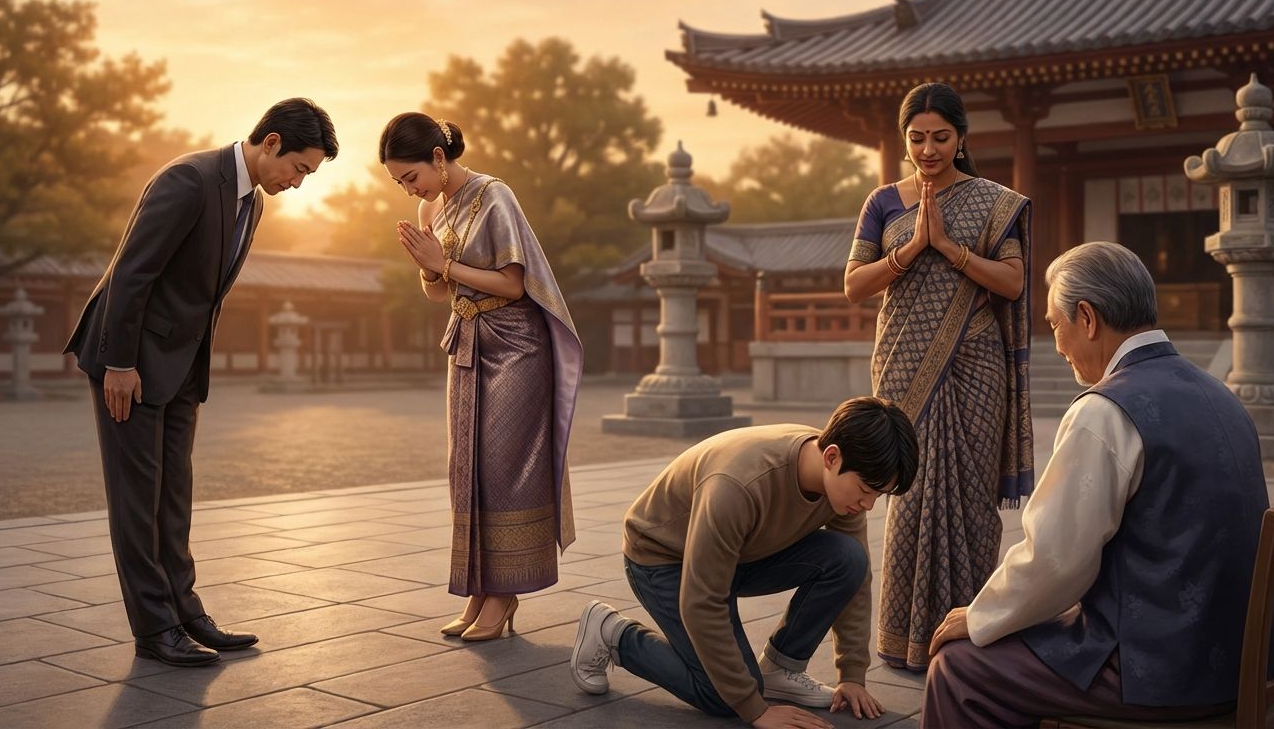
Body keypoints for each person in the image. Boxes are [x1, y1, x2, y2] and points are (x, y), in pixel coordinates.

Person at [922, 242, 1269, 727]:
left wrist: (978, 617)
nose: (1058, 344)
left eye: (1055, 325)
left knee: (960, 667)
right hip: (1244, 660)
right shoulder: (1221, 393)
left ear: (1087, 318)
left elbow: (1056, 562)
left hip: (1159, 673)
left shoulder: (1104, 410)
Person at [64, 98, 339, 666]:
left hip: (181, 369)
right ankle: (154, 629)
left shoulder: (252, 203)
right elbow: (132, 273)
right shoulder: (188, 181)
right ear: (270, 144)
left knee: (174, 497)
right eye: (300, 169)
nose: (298, 182)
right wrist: (120, 363)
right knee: (137, 500)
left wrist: (190, 369)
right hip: (130, 365)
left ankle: (187, 613)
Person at [571, 397, 920, 728]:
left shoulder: (841, 489)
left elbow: (856, 583)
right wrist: (753, 708)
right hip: (662, 559)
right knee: (724, 697)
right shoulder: (738, 485)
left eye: (878, 494)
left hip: (735, 556)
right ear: (831, 457)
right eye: (866, 489)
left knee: (849, 558)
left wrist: (853, 676)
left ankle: (780, 669)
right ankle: (613, 633)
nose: (869, 505)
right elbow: (701, 602)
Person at [843, 82, 1034, 672]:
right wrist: (909, 250)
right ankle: (904, 640)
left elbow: (1014, 283)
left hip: (974, 369)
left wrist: (948, 248)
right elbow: (854, 284)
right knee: (909, 493)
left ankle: (972, 632)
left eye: (940, 137)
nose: (928, 149)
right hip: (905, 366)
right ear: (906, 139)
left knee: (972, 503)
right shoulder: (883, 202)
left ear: (961, 138)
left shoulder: (992, 201)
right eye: (917, 138)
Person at [382, 112, 582, 641]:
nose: (409, 191)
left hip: (516, 344)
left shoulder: (495, 196)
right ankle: (478, 588)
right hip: (467, 340)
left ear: (439, 158)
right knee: (465, 464)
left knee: (502, 465)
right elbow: (435, 293)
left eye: (411, 177)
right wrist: (429, 267)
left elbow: (514, 284)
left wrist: (442, 265)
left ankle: (505, 591)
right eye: (400, 183)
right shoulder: (432, 207)